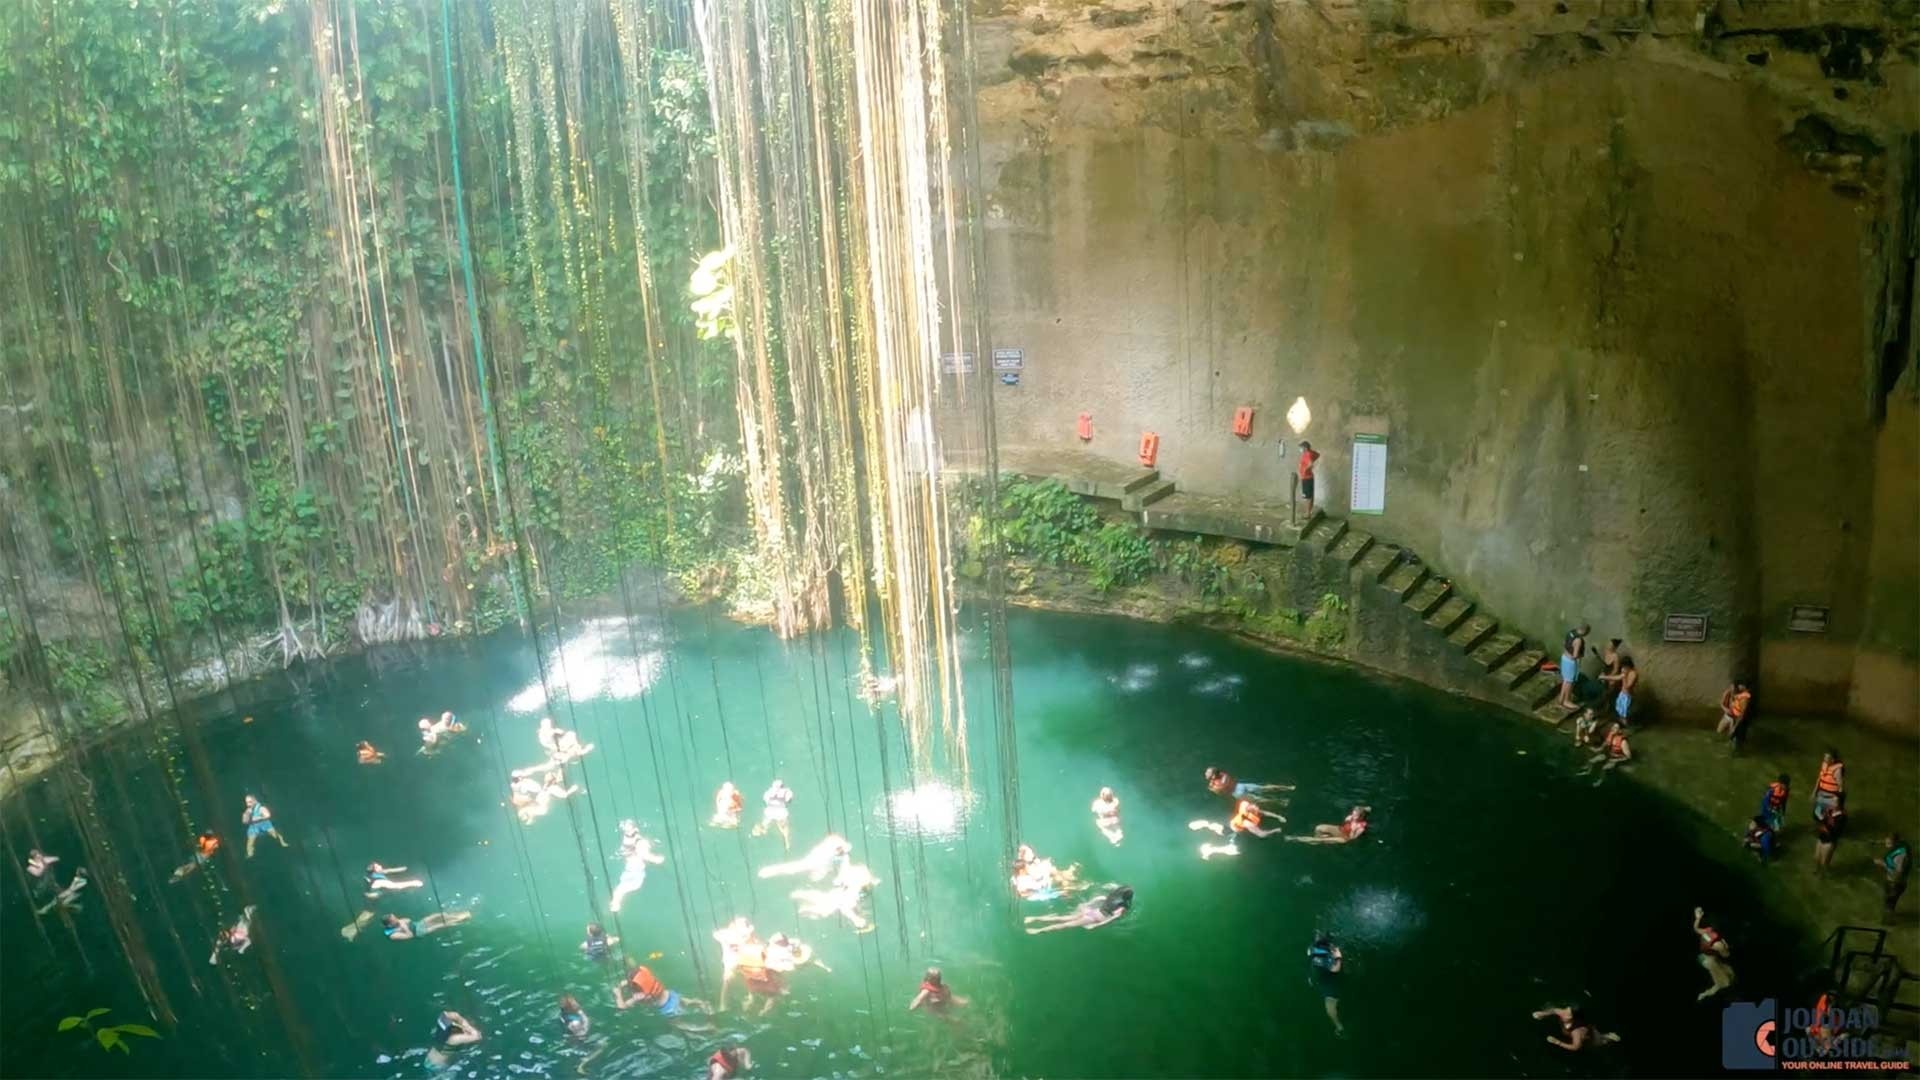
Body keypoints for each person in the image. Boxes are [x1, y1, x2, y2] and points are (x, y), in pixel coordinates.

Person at [614, 963, 715, 1026]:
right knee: (687, 1002)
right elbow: (639, 978)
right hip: (671, 995)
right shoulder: (649, 978)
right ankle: (701, 1003)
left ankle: (705, 1029)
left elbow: (622, 1007)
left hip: (668, 1009)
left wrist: (618, 994)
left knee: (680, 1026)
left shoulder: (640, 996)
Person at [791, 861, 878, 931]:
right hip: (841, 895)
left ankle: (800, 896)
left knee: (823, 902)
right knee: (824, 904)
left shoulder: (849, 890)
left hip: (838, 894)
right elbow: (845, 908)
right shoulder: (850, 895)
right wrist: (856, 919)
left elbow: (845, 908)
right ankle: (801, 897)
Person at [1190, 798, 1285, 859]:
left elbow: (1263, 812)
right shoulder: (1248, 823)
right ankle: (1210, 850)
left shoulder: (1245, 805)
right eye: (1255, 808)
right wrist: (1275, 830)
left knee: (1217, 827)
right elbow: (1261, 834)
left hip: (1229, 820)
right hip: (1232, 831)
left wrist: (1278, 817)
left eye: (1256, 807)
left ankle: (1206, 825)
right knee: (1234, 850)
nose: (1257, 808)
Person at [1024, 885, 1132, 934]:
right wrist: (1096, 926)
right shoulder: (1122, 907)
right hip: (1093, 918)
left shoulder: (1112, 896)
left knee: (1063, 918)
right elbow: (1112, 918)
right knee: (1065, 925)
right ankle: (1038, 930)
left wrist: (1086, 904)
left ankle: (1033, 918)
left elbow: (1099, 898)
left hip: (1090, 911)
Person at [609, 825, 666, 913]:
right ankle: (615, 903)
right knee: (621, 889)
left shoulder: (632, 849)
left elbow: (644, 855)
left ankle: (615, 903)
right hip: (633, 872)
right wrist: (657, 860)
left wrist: (657, 859)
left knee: (621, 889)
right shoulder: (639, 847)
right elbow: (645, 855)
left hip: (631, 870)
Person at [758, 834, 851, 882]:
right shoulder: (831, 845)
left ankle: (768, 871)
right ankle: (768, 871)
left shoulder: (842, 855)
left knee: (795, 869)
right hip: (815, 860)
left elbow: (842, 867)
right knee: (792, 869)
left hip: (821, 862)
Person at [1532, 1005, 1621, 1052]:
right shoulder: (1564, 1013)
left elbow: (1576, 1047)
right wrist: (1543, 1014)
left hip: (1590, 1034)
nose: (1564, 1011)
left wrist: (1557, 1042)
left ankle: (1608, 1037)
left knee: (1598, 1043)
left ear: (1571, 1018)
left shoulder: (1576, 1032)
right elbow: (1554, 1010)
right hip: (1582, 1026)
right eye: (1566, 1009)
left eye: (1567, 1012)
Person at [1694, 907, 1736, 1000]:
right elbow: (1726, 955)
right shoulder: (1718, 944)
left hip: (1705, 956)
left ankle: (1709, 992)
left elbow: (1696, 929)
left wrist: (1697, 918)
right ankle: (1704, 995)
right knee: (1724, 983)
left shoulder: (1707, 931)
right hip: (1708, 961)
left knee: (1730, 973)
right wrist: (1726, 946)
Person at [1308, 933, 1344, 1036]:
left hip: (1328, 985)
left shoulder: (1313, 952)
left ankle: (1339, 1027)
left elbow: (1335, 969)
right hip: (1325, 982)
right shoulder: (1320, 956)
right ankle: (1339, 1026)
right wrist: (1338, 957)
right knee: (1330, 1007)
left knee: (1330, 1008)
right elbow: (1335, 969)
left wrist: (1338, 958)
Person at [1203, 767, 1293, 809]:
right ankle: (1286, 789)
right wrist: (1213, 786)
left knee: (1260, 798)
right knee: (1263, 789)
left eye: (1209, 774)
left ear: (1214, 775)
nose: (1207, 775)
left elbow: (1221, 789)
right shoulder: (1222, 775)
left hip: (1238, 792)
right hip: (1240, 786)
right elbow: (1221, 788)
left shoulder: (1218, 781)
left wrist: (1213, 787)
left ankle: (1282, 800)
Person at [1288, 805, 1370, 845]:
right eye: (1353, 813)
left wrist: (1353, 829)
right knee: (1318, 828)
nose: (1353, 816)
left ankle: (1296, 839)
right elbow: (1344, 824)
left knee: (1319, 840)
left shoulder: (1361, 827)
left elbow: (1352, 839)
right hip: (1340, 829)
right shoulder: (1351, 817)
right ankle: (1318, 840)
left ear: (1361, 816)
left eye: (1356, 815)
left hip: (1345, 838)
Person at [750, 780, 795, 851]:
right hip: (781, 811)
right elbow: (789, 800)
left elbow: (765, 800)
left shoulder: (768, 792)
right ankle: (787, 842)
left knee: (764, 823)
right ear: (782, 786)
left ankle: (758, 831)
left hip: (770, 811)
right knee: (784, 827)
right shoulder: (787, 791)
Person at [1557, 624, 1590, 710]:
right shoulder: (1578, 640)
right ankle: (1567, 701)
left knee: (1566, 680)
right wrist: (1580, 656)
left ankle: (1561, 698)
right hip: (1570, 662)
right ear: (1585, 633)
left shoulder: (1571, 632)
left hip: (1564, 657)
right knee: (1570, 681)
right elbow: (1575, 655)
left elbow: (1564, 643)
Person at [381, 910, 473, 941]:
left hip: (417, 924)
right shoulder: (393, 935)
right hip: (418, 932)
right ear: (390, 924)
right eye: (394, 920)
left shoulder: (397, 922)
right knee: (440, 925)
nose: (397, 919)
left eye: (395, 917)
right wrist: (404, 928)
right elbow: (410, 936)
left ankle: (456, 916)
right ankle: (462, 920)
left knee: (437, 915)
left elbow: (408, 920)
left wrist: (401, 923)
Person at [1716, 682, 1753, 750]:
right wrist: (1726, 709)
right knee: (1719, 732)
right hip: (1729, 716)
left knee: (1733, 737)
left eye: (1734, 687)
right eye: (1731, 687)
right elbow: (1722, 703)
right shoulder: (1729, 693)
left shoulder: (1743, 697)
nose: (1733, 689)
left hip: (1736, 719)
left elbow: (1742, 714)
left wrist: (1735, 727)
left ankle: (1736, 746)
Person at [1884, 835, 1912, 921]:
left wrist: (1882, 864)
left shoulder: (1900, 856)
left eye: (1889, 843)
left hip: (1896, 883)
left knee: (1889, 903)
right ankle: (1889, 916)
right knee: (1889, 902)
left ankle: (1889, 921)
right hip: (1896, 882)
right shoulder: (1900, 850)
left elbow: (1898, 871)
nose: (1886, 845)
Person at [1813, 803, 1845, 874]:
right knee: (1816, 858)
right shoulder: (1828, 811)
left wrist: (1825, 829)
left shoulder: (1841, 817)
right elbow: (1818, 817)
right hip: (1821, 838)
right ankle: (1817, 870)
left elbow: (1836, 831)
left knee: (1824, 862)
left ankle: (1822, 874)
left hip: (1829, 841)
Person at [1814, 750, 1845, 818]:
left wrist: (1838, 797)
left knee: (1832, 815)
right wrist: (1814, 792)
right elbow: (1819, 779)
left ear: (1832, 760)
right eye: (1824, 757)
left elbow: (1840, 786)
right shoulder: (1824, 766)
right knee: (1817, 813)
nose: (1825, 759)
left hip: (1831, 796)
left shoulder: (1837, 770)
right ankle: (1823, 821)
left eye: (1827, 758)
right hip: (1821, 794)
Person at [1296, 440, 1320, 518]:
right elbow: (1317, 454)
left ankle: (1308, 513)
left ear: (1305, 448)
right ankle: (1309, 511)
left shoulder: (1307, 454)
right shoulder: (1309, 453)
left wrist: (1305, 470)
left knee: (1307, 496)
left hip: (1307, 478)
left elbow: (1311, 464)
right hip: (1308, 477)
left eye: (1301, 447)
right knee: (1309, 495)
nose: (1300, 449)